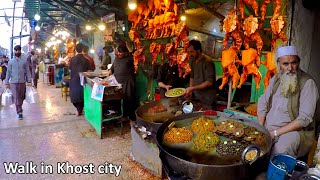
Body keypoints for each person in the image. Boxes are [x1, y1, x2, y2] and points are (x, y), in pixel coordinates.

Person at [258, 45, 319, 158]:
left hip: (293, 132)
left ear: (299, 62)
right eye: (285, 64)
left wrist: (275, 133)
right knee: (252, 147)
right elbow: (263, 102)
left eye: (293, 63)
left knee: (280, 151)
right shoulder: (276, 79)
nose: (290, 68)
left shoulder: (307, 83)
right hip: (268, 128)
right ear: (279, 64)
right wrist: (261, 127)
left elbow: (304, 119)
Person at [185, 40, 217, 110]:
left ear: (198, 50)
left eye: (191, 52)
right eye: (188, 52)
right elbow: (192, 77)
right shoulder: (193, 61)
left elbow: (209, 82)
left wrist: (193, 88)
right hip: (196, 97)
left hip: (207, 99)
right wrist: (190, 90)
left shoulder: (208, 62)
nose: (189, 54)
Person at [109, 44, 136, 120]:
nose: (119, 54)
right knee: (118, 99)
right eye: (119, 52)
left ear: (125, 52)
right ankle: (121, 114)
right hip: (117, 83)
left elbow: (134, 55)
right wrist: (110, 71)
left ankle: (130, 116)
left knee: (129, 99)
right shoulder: (116, 58)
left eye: (121, 52)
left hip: (128, 83)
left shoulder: (129, 59)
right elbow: (112, 67)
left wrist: (129, 48)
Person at [5, 45, 32, 120]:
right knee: (16, 97)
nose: (17, 52)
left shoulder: (24, 61)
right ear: (14, 51)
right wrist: (6, 82)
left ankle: (19, 107)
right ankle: (19, 112)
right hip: (13, 83)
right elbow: (8, 72)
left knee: (22, 97)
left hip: (22, 82)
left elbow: (27, 71)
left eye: (18, 51)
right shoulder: (11, 61)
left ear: (20, 51)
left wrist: (29, 80)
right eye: (16, 51)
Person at [69, 43, 91, 116]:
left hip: (74, 80)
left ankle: (78, 110)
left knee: (74, 96)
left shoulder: (72, 59)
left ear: (76, 50)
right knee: (82, 96)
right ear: (82, 49)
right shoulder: (86, 60)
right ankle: (79, 110)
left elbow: (70, 69)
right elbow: (89, 71)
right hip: (83, 81)